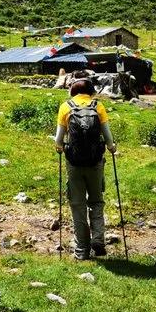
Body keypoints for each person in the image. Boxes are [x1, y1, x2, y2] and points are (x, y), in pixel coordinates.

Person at [54, 79, 117, 260]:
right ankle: (98, 239)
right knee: (96, 201)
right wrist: (112, 147)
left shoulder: (66, 107)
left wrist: (61, 148)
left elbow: (58, 141)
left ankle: (82, 249)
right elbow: (107, 137)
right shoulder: (98, 106)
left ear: (73, 91)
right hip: (95, 162)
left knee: (77, 205)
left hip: (74, 163)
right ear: (91, 92)